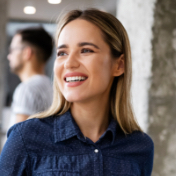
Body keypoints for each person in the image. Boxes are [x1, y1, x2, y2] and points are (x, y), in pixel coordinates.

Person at [0, 9, 154, 175]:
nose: (69, 63)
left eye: (86, 50)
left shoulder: (140, 147)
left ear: (119, 65)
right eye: (62, 53)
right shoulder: (25, 138)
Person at [7, 27, 53, 128]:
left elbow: (17, 142)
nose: (9, 56)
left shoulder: (27, 89)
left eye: (12, 50)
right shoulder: (51, 87)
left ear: (27, 53)